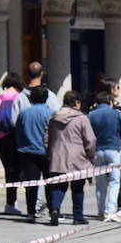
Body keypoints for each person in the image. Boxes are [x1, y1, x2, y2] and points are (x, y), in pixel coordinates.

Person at [44, 90, 96, 226]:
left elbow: (46, 138)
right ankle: (77, 216)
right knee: (78, 188)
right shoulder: (81, 118)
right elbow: (90, 140)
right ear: (77, 102)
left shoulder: (53, 117)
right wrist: (91, 155)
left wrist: (49, 152)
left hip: (58, 157)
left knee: (59, 186)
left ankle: (54, 208)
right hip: (77, 158)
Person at [88, 86, 121, 221]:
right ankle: (111, 211)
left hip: (98, 150)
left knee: (100, 183)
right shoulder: (116, 114)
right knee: (115, 181)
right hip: (113, 149)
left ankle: (101, 211)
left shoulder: (90, 115)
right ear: (110, 102)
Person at [15, 86, 53, 222]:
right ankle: (53, 209)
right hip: (47, 153)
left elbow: (18, 132)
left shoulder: (24, 114)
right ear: (46, 98)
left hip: (28, 151)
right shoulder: (51, 113)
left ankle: (31, 212)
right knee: (50, 182)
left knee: (31, 184)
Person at [0, 72, 26, 216]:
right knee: (18, 170)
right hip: (17, 138)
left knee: (8, 170)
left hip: (1, 139)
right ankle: (15, 202)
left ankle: (10, 203)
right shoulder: (21, 98)